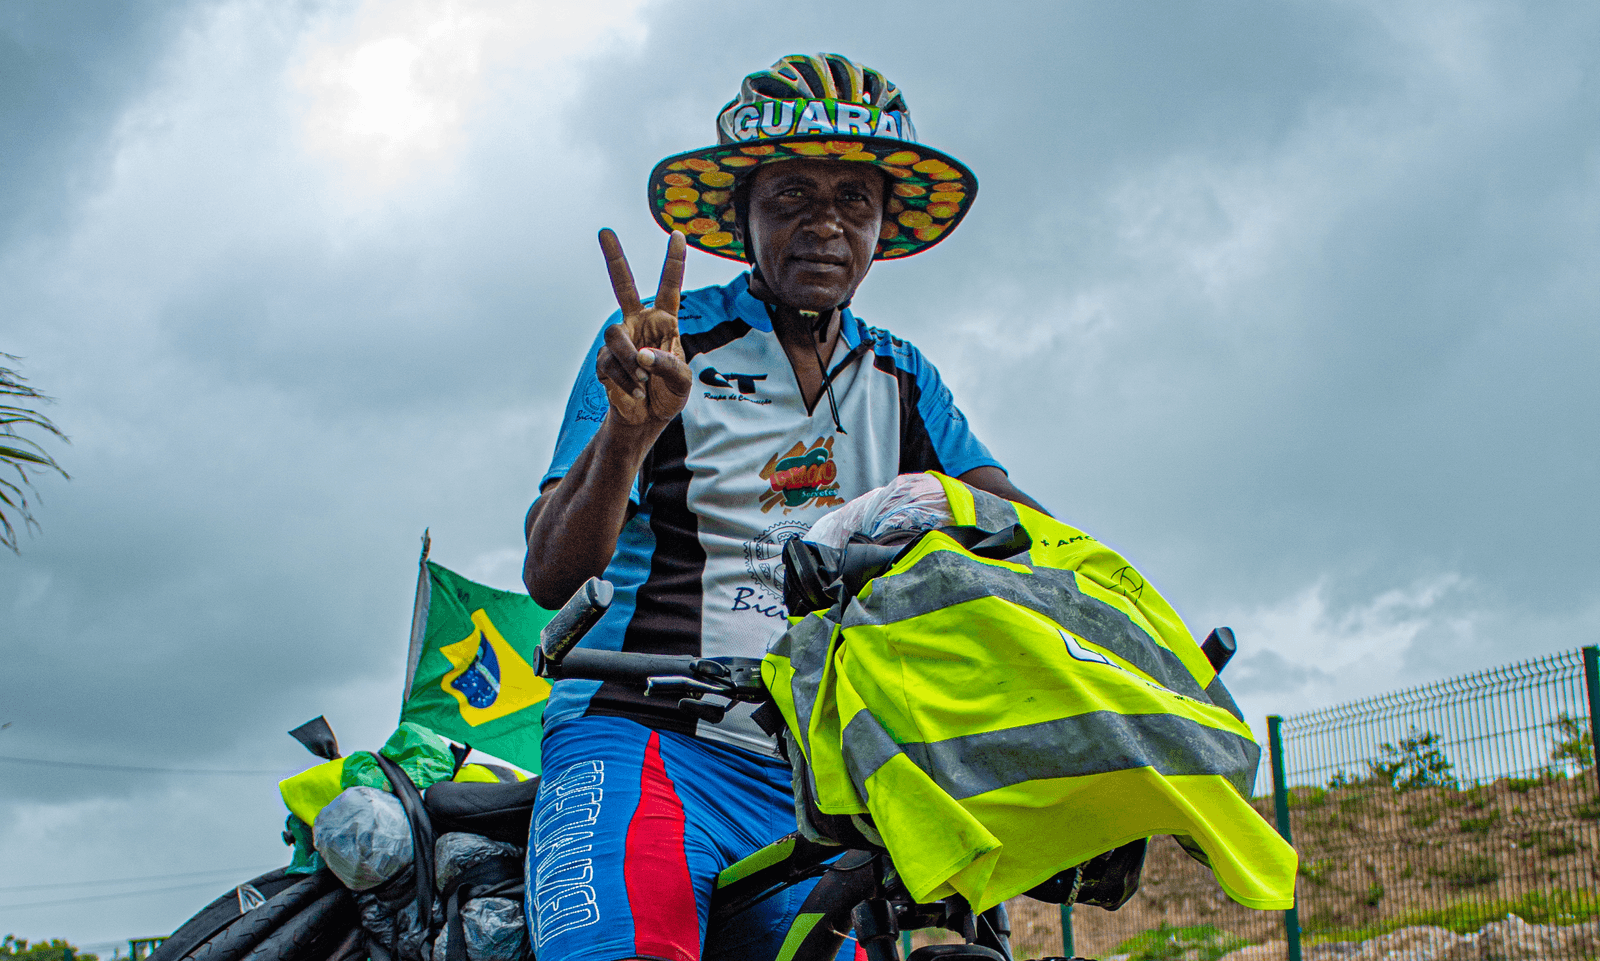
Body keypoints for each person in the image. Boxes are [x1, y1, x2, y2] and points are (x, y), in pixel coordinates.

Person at [522, 53, 1046, 961]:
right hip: (642, 738)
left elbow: (1022, 530)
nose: (827, 226)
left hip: (812, 780)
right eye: (793, 196)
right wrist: (628, 434)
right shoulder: (661, 349)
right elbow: (551, 573)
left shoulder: (902, 378)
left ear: (884, 226)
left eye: (854, 200)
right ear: (741, 215)